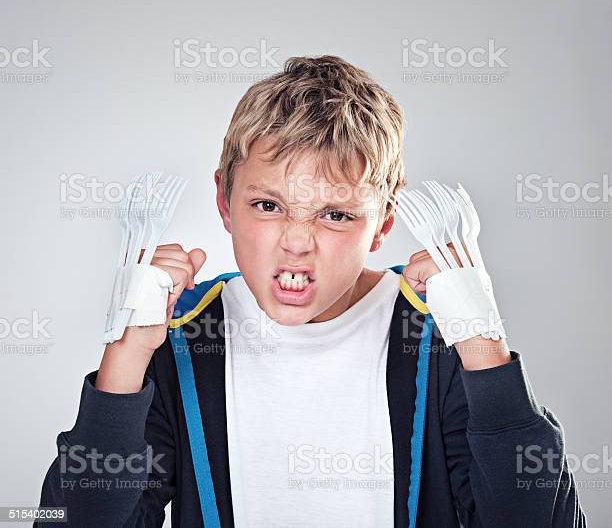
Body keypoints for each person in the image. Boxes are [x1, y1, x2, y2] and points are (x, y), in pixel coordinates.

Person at [37, 55, 587, 527]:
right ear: (225, 204)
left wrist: (483, 345)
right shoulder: (179, 335)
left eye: (336, 214)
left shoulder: (436, 334)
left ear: (383, 223)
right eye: (268, 205)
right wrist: (124, 359)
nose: (297, 242)